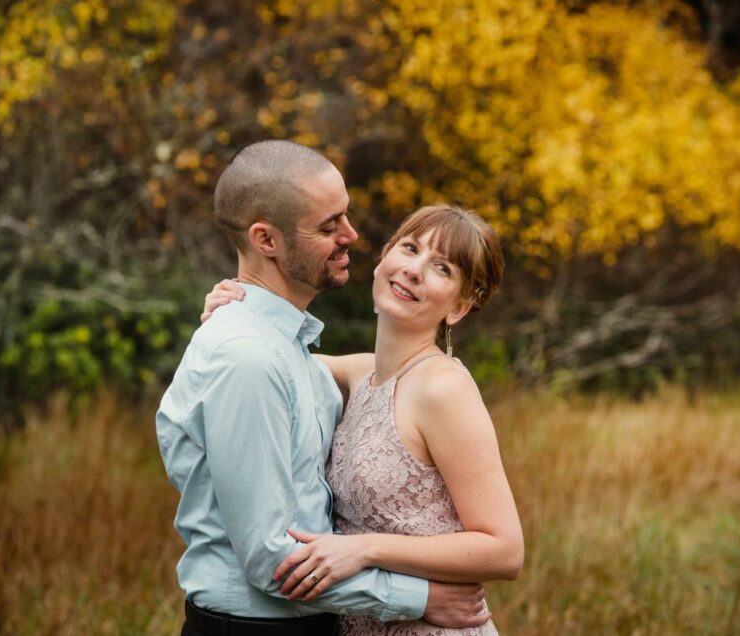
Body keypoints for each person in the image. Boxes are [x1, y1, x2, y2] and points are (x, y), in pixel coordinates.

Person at [156, 140, 491, 636]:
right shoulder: (248, 355)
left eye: (346, 217)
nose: (351, 235)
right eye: (328, 225)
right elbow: (271, 557)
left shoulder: (294, 353)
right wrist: (416, 598)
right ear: (266, 240)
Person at [202, 204, 525, 635]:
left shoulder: (443, 388)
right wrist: (234, 309)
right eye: (409, 248)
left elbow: (504, 550)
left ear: (458, 308)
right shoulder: (359, 374)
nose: (413, 270)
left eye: (441, 268)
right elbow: (266, 360)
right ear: (383, 258)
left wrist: (364, 549)